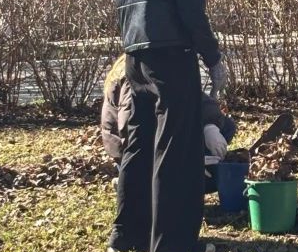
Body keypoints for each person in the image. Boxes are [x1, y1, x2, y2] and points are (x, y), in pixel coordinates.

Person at [108, 0, 228, 252]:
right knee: (176, 149)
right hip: (173, 55)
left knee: (139, 144)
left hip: (135, 58)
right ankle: (174, 244)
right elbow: (193, 10)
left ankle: (127, 235)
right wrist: (213, 57)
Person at [100, 54, 236, 199]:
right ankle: (135, 184)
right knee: (214, 177)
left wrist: (210, 126)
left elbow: (195, 98)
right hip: (138, 154)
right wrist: (183, 160)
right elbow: (132, 132)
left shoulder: (162, 68)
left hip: (163, 140)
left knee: (226, 127)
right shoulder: (133, 79)